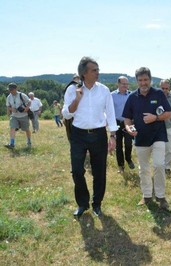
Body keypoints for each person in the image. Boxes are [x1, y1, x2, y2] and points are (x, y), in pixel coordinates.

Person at [62, 56, 118, 218]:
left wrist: (112, 136)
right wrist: (77, 99)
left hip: (99, 134)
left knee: (99, 171)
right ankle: (82, 203)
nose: (97, 73)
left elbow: (111, 114)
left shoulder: (104, 90)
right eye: (94, 70)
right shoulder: (72, 90)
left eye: (98, 69)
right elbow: (66, 113)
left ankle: (97, 204)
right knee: (77, 171)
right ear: (84, 73)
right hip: (78, 134)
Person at [123, 67, 171, 210]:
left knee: (158, 165)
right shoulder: (132, 97)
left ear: (150, 80)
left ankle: (161, 197)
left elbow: (168, 113)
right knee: (143, 168)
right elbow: (127, 118)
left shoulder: (158, 94)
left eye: (146, 80)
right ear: (137, 81)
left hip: (158, 135)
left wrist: (155, 118)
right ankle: (146, 196)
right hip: (140, 138)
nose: (143, 83)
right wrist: (128, 128)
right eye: (140, 80)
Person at [111, 76, 135, 173]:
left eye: (127, 84)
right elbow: (109, 110)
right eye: (123, 83)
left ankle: (128, 159)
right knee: (118, 146)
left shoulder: (131, 95)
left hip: (129, 122)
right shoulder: (112, 95)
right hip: (116, 122)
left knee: (129, 143)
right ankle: (121, 166)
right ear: (118, 84)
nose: (125, 86)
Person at [4, 83, 32, 149]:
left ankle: (29, 141)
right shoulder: (9, 97)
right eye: (9, 90)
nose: (10, 91)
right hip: (14, 116)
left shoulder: (22, 95)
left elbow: (29, 102)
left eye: (12, 90)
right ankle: (12, 143)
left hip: (23, 115)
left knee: (26, 129)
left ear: (16, 89)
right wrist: (11, 109)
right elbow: (8, 106)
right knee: (12, 127)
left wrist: (27, 108)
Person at [63, 74, 81, 142]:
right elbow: (68, 104)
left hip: (78, 115)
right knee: (73, 137)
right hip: (72, 115)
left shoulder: (81, 86)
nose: (77, 80)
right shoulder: (71, 87)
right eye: (76, 78)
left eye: (78, 78)